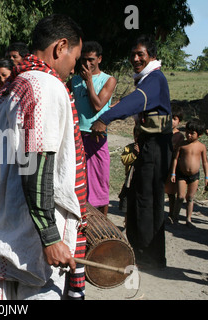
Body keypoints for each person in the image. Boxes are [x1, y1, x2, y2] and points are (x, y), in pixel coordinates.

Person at [0, 14, 86, 300]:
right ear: (60, 47)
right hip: (34, 240)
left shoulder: (5, 92)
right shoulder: (44, 86)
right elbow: (35, 164)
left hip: (7, 227)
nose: (73, 69)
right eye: (75, 58)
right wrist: (50, 237)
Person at [91, 35, 172, 269]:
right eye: (133, 54)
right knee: (139, 196)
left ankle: (149, 255)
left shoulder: (154, 79)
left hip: (156, 146)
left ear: (152, 56)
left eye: (141, 54)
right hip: (148, 145)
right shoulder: (147, 79)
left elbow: (136, 101)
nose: (135, 59)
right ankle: (141, 249)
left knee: (148, 198)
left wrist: (105, 118)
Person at [69, 41, 117, 216]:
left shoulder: (108, 80)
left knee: (100, 185)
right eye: (83, 60)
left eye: (91, 60)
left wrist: (89, 81)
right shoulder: (74, 80)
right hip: (78, 137)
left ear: (100, 59)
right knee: (79, 183)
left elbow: (97, 106)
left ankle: (104, 226)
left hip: (97, 138)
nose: (87, 64)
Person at [169, 118, 208, 228]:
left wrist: (206, 176)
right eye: (187, 132)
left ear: (199, 135)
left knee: (190, 198)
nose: (189, 135)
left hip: (194, 176)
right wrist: (173, 173)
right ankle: (175, 217)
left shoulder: (201, 147)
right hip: (181, 174)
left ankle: (188, 219)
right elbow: (175, 159)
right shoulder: (182, 145)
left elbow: (205, 162)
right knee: (180, 196)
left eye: (192, 133)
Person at [165, 105, 185, 222]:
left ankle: (171, 214)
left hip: (172, 167)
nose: (172, 121)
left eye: (175, 119)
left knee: (171, 193)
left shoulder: (179, 137)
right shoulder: (163, 133)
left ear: (179, 121)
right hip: (162, 164)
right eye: (170, 117)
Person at [118, 125, 140, 214]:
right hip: (130, 182)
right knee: (127, 207)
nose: (137, 139)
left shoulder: (147, 149)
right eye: (136, 136)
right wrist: (134, 154)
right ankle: (127, 223)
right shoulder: (129, 148)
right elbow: (124, 160)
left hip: (141, 182)